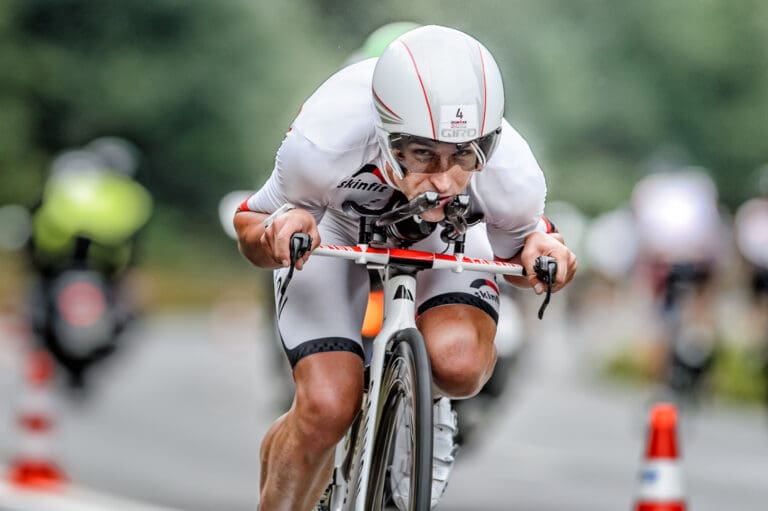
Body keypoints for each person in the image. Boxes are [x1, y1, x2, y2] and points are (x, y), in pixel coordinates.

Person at [234, 25, 577, 510]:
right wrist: (278, 233)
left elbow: (521, 260)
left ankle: (421, 406)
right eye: (422, 154)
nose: (445, 178)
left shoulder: (512, 175)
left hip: (450, 231)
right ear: (383, 132)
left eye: (465, 155)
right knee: (327, 407)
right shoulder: (322, 140)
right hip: (335, 227)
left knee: (459, 366)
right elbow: (248, 222)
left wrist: (544, 255)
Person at [28, 141, 152, 391]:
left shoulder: (61, 192)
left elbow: (35, 232)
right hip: (99, 268)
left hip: (78, 268)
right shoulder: (129, 196)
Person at [630, 167, 725, 402]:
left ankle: (659, 381)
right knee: (689, 314)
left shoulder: (656, 194)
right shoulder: (697, 191)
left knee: (662, 320)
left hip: (670, 264)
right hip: (690, 263)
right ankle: (697, 349)